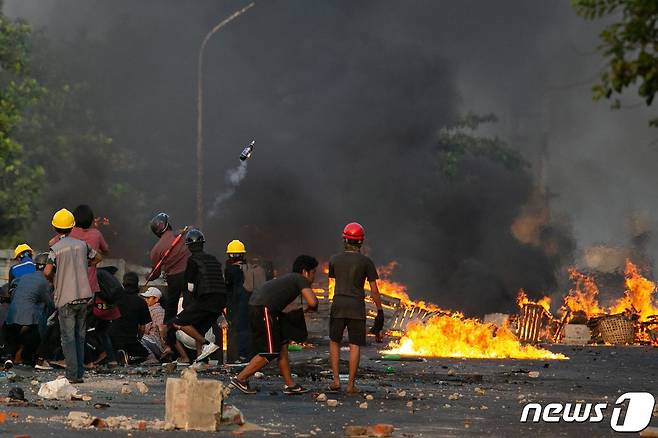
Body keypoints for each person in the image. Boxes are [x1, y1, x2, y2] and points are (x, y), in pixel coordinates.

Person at [231, 255, 319, 395]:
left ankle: (290, 385)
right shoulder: (300, 279)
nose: (314, 277)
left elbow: (287, 305)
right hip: (263, 309)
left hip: (263, 307)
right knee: (270, 350)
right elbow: (313, 302)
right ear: (305, 271)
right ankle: (240, 378)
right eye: (314, 272)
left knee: (282, 346)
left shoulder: (290, 279)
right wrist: (310, 308)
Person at [49, 205, 116, 368]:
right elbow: (105, 252)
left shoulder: (68, 237)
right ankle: (94, 359)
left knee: (67, 331)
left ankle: (74, 363)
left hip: (68, 289)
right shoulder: (96, 234)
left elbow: (51, 244)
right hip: (89, 289)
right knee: (84, 329)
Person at [44, 208, 102, 383]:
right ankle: (79, 374)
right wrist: (85, 264)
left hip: (66, 298)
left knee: (68, 337)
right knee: (80, 336)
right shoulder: (82, 245)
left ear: (55, 228)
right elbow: (98, 257)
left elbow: (47, 271)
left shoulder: (55, 249)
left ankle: (72, 375)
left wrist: (55, 277)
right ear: (72, 226)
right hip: (84, 296)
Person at [328, 222, 384, 394]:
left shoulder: (334, 260)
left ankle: (336, 380)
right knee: (355, 344)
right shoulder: (366, 262)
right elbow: (374, 290)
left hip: (338, 304)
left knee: (334, 341)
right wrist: (379, 310)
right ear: (361, 242)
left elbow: (334, 281)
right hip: (356, 307)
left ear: (344, 239)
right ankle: (351, 385)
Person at [172, 228, 225, 363]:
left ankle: (207, 345)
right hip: (220, 301)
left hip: (206, 299)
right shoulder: (213, 259)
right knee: (198, 329)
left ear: (189, 246)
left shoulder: (192, 261)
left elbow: (190, 287)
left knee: (179, 321)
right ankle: (199, 361)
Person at [148, 213, 191, 360]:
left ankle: (180, 354)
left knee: (169, 320)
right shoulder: (184, 235)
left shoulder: (156, 249)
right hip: (190, 277)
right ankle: (200, 353)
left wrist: (149, 276)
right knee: (191, 309)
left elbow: (155, 272)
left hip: (173, 280)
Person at [4, 253, 53, 366]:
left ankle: (13, 356)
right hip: (27, 322)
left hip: (11, 318)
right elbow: (50, 304)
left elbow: (13, 289)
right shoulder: (44, 282)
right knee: (46, 322)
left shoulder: (23, 277)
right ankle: (36, 358)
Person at [108, 272, 151, 364]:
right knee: (147, 356)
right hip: (130, 340)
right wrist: (138, 339)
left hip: (112, 338)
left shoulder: (114, 299)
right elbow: (142, 328)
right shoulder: (141, 302)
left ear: (123, 283)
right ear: (136, 284)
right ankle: (127, 356)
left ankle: (117, 355)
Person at [224, 239, 249, 363]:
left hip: (234, 304)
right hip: (247, 302)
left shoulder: (230, 270)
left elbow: (228, 288)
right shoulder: (248, 268)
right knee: (245, 330)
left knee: (236, 331)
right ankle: (244, 355)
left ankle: (237, 356)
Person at [139, 287, 166, 361]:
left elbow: (162, 329)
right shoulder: (153, 309)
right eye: (145, 298)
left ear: (156, 299)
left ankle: (152, 358)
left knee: (138, 338)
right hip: (153, 341)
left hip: (157, 343)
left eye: (148, 298)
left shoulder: (157, 311)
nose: (145, 300)